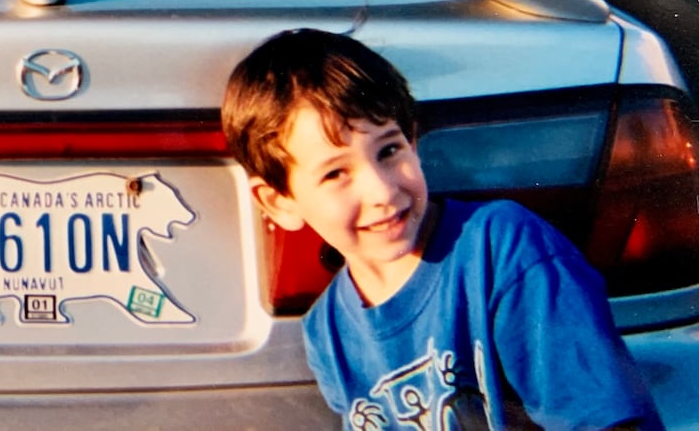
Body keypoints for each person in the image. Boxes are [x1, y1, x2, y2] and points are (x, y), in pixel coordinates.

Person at [221, 27, 663, 431]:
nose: (382, 190)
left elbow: (604, 421)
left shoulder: (502, 251)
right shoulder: (328, 332)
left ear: (413, 141)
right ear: (279, 202)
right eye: (335, 174)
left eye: (389, 150)